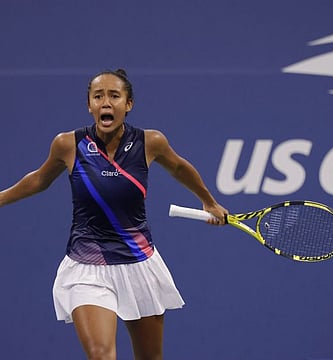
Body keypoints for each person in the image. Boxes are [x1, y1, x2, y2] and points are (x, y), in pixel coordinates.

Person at [0, 69, 228, 360]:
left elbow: (180, 167)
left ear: (128, 104)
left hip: (139, 264)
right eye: (98, 96)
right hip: (86, 268)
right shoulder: (68, 144)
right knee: (101, 354)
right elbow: (39, 179)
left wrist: (208, 202)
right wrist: (1, 198)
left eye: (114, 96)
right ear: (90, 106)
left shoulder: (151, 142)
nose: (106, 102)